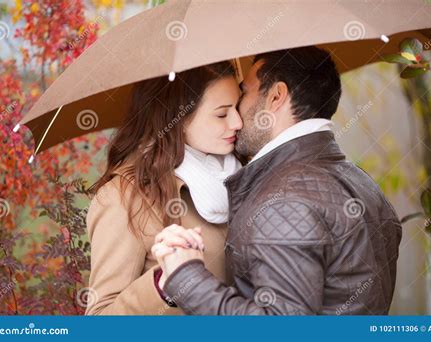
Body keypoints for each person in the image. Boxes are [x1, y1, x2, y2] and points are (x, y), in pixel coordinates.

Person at [152, 46, 403, 315]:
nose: (237, 116)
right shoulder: (362, 182)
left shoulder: (283, 200)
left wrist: (188, 280)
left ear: (276, 96)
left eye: (244, 92)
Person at [85, 61, 243, 315]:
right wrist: (164, 284)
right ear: (177, 119)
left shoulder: (242, 174)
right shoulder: (124, 198)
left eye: (238, 107)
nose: (237, 122)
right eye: (222, 114)